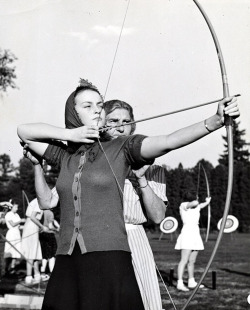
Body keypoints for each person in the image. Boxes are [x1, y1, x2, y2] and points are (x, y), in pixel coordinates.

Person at [17, 79, 240, 310]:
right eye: (87, 105)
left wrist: (215, 121)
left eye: (100, 104)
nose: (96, 109)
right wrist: (70, 135)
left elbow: (168, 141)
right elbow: (24, 131)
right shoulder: (64, 156)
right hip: (66, 258)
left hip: (109, 257)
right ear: (72, 113)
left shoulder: (123, 148)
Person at [24, 99, 167, 310]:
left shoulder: (152, 164)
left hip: (134, 241)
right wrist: (37, 166)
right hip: (97, 246)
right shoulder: (86, 160)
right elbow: (49, 201)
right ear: (101, 123)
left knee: (141, 302)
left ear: (133, 125)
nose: (120, 126)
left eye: (126, 121)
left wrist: (142, 180)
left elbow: (157, 217)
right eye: (113, 120)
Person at [174, 191, 211, 291]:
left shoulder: (197, 207)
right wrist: (197, 200)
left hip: (195, 234)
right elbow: (195, 203)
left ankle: (191, 282)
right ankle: (180, 283)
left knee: (192, 261)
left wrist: (207, 202)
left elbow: (200, 205)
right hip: (187, 234)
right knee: (184, 260)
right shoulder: (183, 205)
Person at [21, 198, 49, 284]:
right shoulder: (38, 202)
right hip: (31, 228)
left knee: (35, 253)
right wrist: (42, 226)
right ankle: (29, 277)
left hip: (32, 228)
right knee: (31, 253)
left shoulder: (37, 201)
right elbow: (33, 217)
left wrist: (39, 227)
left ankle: (37, 275)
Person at [4, 202, 24, 274]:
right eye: (15, 207)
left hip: (17, 233)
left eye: (17, 207)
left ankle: (13, 268)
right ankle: (6, 268)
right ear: (11, 207)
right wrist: (20, 221)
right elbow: (12, 224)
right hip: (11, 234)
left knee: (16, 252)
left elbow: (18, 226)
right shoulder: (8, 214)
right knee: (10, 252)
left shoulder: (17, 215)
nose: (17, 209)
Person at [39, 209, 59, 280]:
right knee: (52, 255)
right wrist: (56, 229)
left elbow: (52, 221)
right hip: (49, 235)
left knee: (44, 254)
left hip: (41, 235)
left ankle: (42, 273)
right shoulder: (50, 213)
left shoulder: (42, 211)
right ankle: (52, 273)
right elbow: (50, 226)